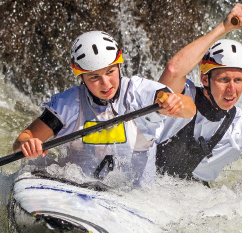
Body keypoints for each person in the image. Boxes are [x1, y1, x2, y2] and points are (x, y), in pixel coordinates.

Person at [13, 31, 196, 186]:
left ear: (119, 66)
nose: (106, 84)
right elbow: (22, 141)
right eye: (94, 77)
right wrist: (28, 145)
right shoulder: (69, 103)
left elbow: (190, 110)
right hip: (77, 190)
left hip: (135, 198)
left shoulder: (139, 93)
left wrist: (177, 101)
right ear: (81, 77)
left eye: (110, 72)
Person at [156, 4, 242, 183]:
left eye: (238, 80)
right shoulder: (181, 94)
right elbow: (173, 70)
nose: (232, 89)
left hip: (189, 199)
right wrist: (224, 27)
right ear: (204, 79)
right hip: (145, 185)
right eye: (224, 79)